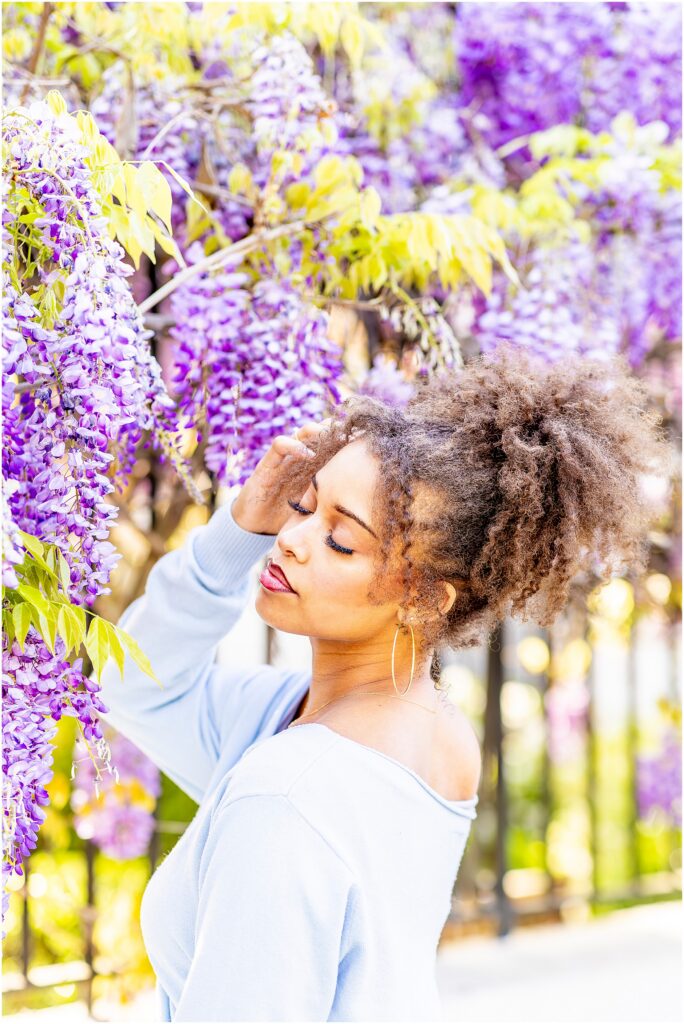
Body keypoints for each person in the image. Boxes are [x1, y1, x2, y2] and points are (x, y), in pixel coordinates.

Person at [97, 342, 670, 1022]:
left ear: (426, 599)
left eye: (341, 541)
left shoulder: (285, 795)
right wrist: (238, 530)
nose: (291, 539)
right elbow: (137, 686)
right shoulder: (422, 733)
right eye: (303, 504)